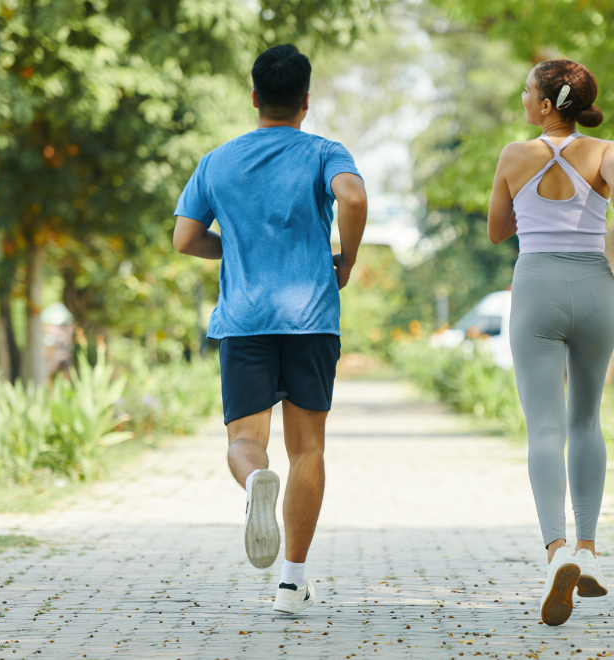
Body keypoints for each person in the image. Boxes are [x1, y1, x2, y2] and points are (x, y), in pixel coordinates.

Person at [172, 44, 367, 616]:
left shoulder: (218, 161)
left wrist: (231, 248)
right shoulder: (324, 152)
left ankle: (257, 479)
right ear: (306, 101)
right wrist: (346, 259)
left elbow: (184, 239)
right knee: (308, 447)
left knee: (243, 441)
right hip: (310, 319)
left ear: (254, 97)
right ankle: (292, 582)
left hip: (245, 320)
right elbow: (352, 195)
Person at [487, 59, 614, 626]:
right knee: (586, 422)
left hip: (537, 285)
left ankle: (555, 555)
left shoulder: (514, 155)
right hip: (595, 287)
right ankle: (589, 551)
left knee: (545, 428)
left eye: (527, 90)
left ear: (547, 105)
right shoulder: (606, 151)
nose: (523, 96)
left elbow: (499, 231)